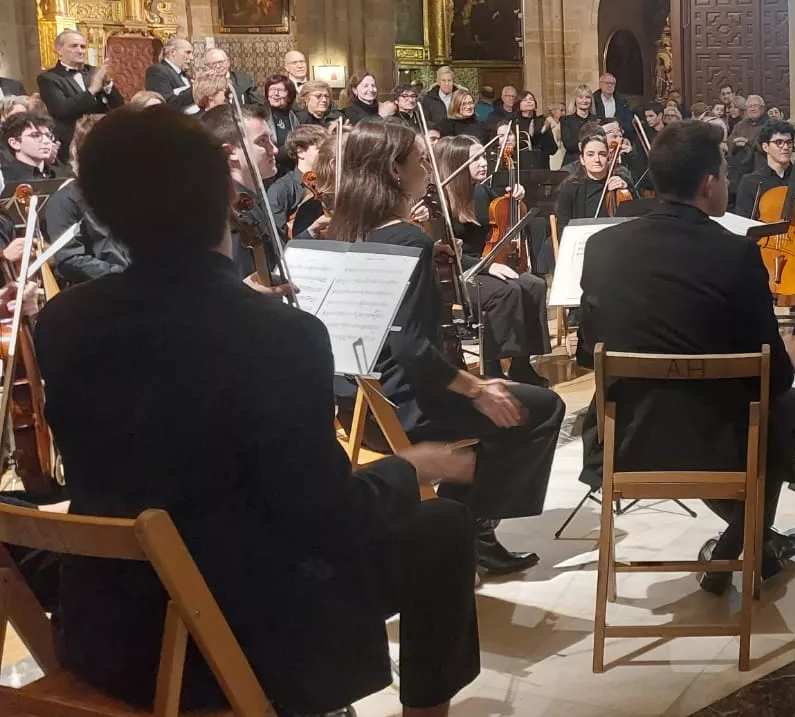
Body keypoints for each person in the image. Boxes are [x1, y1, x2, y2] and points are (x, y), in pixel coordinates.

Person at [34, 104, 481, 716]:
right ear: (224, 192)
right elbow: (324, 519)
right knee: (441, 528)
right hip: (236, 635)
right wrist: (410, 468)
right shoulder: (278, 333)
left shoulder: (63, 322)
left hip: (109, 632)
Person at [577, 120, 795, 592]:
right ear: (708, 184)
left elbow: (589, 353)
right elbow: (771, 374)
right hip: (717, 442)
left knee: (769, 413)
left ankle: (745, 545)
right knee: (789, 408)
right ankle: (748, 546)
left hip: (624, 439)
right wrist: (788, 356)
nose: (727, 182)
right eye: (725, 174)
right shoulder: (736, 255)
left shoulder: (601, 248)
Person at [326, 119, 566, 576]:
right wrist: (477, 389)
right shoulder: (409, 240)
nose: (428, 171)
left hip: (354, 404)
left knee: (509, 405)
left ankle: (466, 515)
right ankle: (472, 528)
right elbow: (414, 349)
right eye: (419, 161)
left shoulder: (342, 231)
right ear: (396, 171)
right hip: (402, 407)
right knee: (539, 408)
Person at [433, 135, 551, 386]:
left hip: (489, 265)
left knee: (534, 285)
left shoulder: (482, 190)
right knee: (505, 291)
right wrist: (487, 265)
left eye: (483, 156)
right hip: (460, 272)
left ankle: (521, 364)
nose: (483, 162)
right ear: (456, 163)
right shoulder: (440, 200)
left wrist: (515, 198)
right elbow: (444, 252)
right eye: (474, 159)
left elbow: (505, 215)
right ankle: (493, 366)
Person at [197, 105, 289, 292]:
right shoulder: (226, 211)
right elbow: (234, 280)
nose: (274, 150)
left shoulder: (252, 201)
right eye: (262, 141)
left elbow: (277, 258)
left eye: (271, 139)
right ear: (230, 152)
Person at [41, 114, 130, 285]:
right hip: (104, 292)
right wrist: (125, 276)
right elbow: (70, 260)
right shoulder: (64, 201)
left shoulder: (134, 192)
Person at [36, 30, 123, 138]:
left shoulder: (94, 72)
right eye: (74, 46)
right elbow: (62, 110)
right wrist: (91, 91)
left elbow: (119, 106)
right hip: (70, 139)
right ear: (59, 50)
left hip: (102, 135)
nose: (80, 51)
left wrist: (108, 85)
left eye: (83, 47)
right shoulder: (49, 78)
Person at [553, 133, 630, 237]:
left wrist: (628, 191)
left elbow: (636, 219)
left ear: (608, 157)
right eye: (590, 154)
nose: (597, 159)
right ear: (582, 159)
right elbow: (562, 226)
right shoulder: (570, 187)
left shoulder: (621, 181)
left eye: (602, 154)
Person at [734, 119, 795, 217]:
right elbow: (743, 224)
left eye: (789, 142)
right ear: (765, 147)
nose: (785, 147)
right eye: (779, 142)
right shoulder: (750, 182)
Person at [266, 123, 328, 233]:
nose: (328, 154)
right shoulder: (281, 189)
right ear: (300, 152)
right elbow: (280, 234)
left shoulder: (328, 182)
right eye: (321, 150)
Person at [1, 109, 70, 187]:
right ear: (15, 143)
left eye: (48, 136)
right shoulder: (4, 179)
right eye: (36, 135)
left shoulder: (63, 175)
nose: (46, 141)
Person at [143, 36, 198, 114]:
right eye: (188, 52)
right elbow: (166, 105)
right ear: (173, 52)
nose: (191, 57)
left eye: (192, 53)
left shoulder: (187, 76)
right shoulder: (157, 71)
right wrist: (197, 89)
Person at [198, 46, 262, 107]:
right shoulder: (204, 84)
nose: (218, 66)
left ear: (228, 62)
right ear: (206, 66)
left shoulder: (245, 79)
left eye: (221, 62)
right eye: (213, 64)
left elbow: (258, 105)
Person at [262, 74, 300, 177]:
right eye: (272, 89)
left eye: (280, 90)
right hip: (269, 172)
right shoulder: (261, 115)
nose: (275, 94)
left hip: (291, 171)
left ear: (289, 95)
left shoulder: (295, 116)